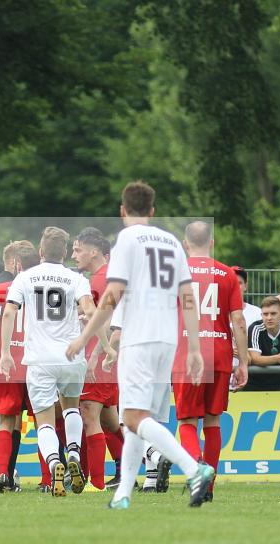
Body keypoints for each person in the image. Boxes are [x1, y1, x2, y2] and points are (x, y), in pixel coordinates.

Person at [67, 181, 216, 510]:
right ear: (152, 210)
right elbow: (187, 297)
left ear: (122, 210)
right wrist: (192, 346)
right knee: (135, 417)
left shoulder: (127, 240)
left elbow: (111, 295)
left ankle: (194, 469)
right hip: (168, 339)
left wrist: (84, 336)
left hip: (139, 337)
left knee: (132, 417)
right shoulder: (173, 243)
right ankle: (123, 495)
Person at [0, 227, 104, 497]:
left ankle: (55, 462)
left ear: (41, 251)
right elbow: (91, 310)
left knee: (44, 420)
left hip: (40, 359)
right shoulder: (75, 277)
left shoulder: (24, 277)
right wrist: (105, 344)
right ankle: (74, 454)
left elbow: (9, 312)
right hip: (71, 355)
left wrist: (6, 353)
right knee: (71, 408)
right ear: (67, 252)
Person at [171, 221, 248, 501]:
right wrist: (244, 363)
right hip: (219, 353)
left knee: (188, 421)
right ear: (212, 243)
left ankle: (197, 470)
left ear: (185, 244)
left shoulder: (176, 273)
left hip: (186, 352)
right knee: (213, 421)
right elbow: (238, 320)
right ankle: (209, 487)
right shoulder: (227, 274)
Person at [0, 241, 39, 492]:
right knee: (45, 422)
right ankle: (49, 480)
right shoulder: (45, 287)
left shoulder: (2, 289)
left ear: (16, 264)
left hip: (8, 362)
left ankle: (3, 473)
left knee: (5, 420)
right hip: (38, 360)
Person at [71, 226, 127, 491]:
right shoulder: (107, 277)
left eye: (78, 249)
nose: (74, 255)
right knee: (109, 420)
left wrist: (95, 353)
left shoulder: (98, 281)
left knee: (88, 414)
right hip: (110, 358)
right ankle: (147, 458)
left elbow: (105, 322)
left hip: (100, 358)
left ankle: (96, 482)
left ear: (94, 252)